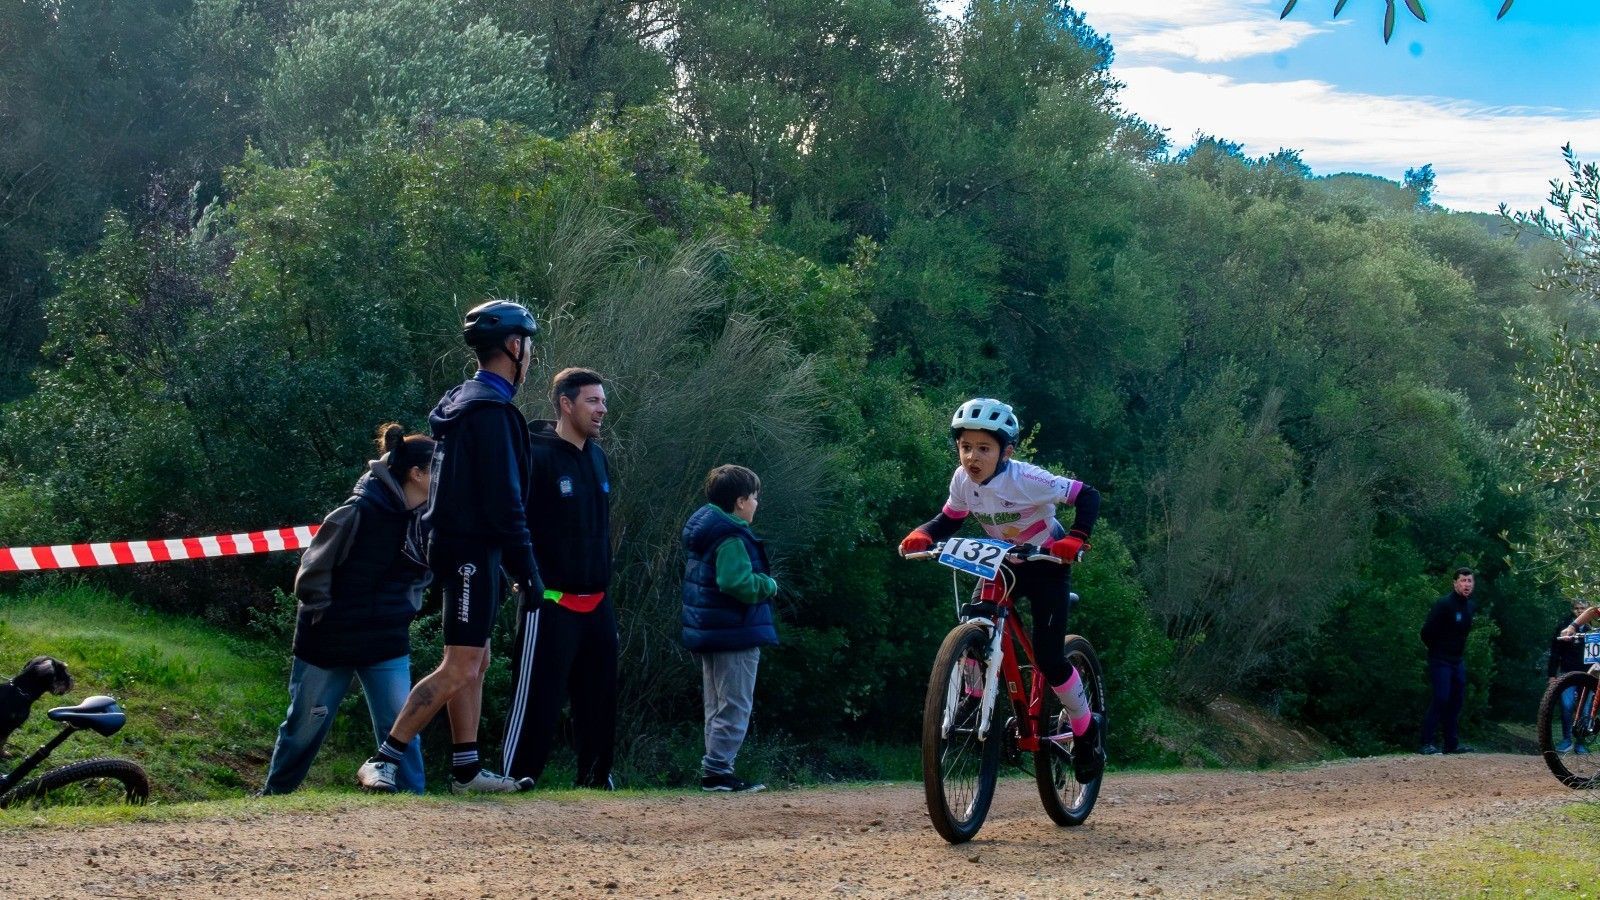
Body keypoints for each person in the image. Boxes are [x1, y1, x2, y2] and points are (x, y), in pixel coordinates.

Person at [356, 299, 542, 794]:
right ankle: (383, 758)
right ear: (514, 346)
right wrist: (528, 570)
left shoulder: (465, 400)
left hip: (468, 549)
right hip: (470, 554)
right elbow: (505, 502)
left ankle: (466, 770)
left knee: (475, 661)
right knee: (459, 664)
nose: (530, 355)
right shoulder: (492, 413)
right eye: (528, 346)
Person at [898, 398, 1104, 784]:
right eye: (965, 447)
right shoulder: (962, 481)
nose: (972, 457)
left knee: (1048, 657)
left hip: (1046, 565)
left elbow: (1087, 495)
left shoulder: (1027, 479)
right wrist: (924, 533)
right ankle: (972, 698)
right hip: (1001, 563)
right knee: (975, 619)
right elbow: (950, 518)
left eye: (984, 448)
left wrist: (1076, 538)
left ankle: (1085, 729)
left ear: (1006, 452)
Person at [263, 424, 435, 795]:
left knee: (402, 727)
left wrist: (407, 607)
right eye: (439, 469)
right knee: (303, 728)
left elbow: (424, 576)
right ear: (417, 473)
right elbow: (311, 572)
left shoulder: (428, 520)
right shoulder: (356, 511)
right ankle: (273, 801)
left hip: (387, 638)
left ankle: (413, 807)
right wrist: (323, 612)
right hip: (328, 638)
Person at [502, 368, 619, 789]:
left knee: (600, 700)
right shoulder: (534, 454)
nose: (602, 409)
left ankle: (595, 779)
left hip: (597, 600)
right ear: (565, 404)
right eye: (592, 400)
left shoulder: (597, 455)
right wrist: (519, 575)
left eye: (603, 401)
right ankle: (515, 778)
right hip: (549, 600)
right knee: (537, 701)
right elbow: (508, 520)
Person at [680, 464, 779, 794]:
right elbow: (735, 582)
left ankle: (715, 769)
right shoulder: (732, 536)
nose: (756, 503)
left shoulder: (708, 529)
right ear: (739, 501)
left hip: (712, 632)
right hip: (734, 632)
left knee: (717, 703)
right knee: (735, 703)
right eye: (753, 497)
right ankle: (719, 771)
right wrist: (767, 584)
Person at [1419, 567, 1477, 755]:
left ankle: (1451, 744)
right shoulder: (1443, 604)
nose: (1466, 584)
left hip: (1457, 660)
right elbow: (1426, 632)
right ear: (1455, 583)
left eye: (1469, 581)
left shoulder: (1470, 606)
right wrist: (1437, 650)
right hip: (1440, 659)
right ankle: (1426, 742)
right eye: (1463, 581)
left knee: (1457, 700)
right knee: (1441, 697)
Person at [1555, 600, 1597, 753]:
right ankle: (1567, 740)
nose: (1579, 610)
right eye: (1576, 608)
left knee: (1585, 709)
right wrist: (1572, 627)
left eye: (1582, 608)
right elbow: (1595, 611)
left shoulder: (1593, 627)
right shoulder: (1564, 624)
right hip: (1571, 672)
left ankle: (1580, 743)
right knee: (1568, 705)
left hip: (1588, 674)